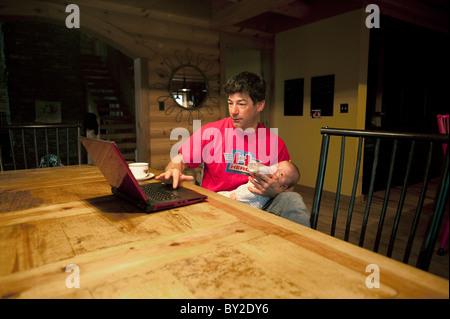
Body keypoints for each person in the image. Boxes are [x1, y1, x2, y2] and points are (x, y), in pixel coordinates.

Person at [156, 71, 290, 199]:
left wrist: (277, 191)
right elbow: (179, 161)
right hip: (216, 205)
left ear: (260, 105)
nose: (233, 111)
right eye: (230, 103)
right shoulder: (210, 132)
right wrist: (173, 171)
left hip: (259, 207)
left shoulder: (276, 144)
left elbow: (289, 187)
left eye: (241, 104)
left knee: (291, 200)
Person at [217, 160, 300, 209]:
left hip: (239, 205)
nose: (275, 170)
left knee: (295, 199)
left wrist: (276, 192)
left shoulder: (277, 144)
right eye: (276, 166)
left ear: (284, 186)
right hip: (223, 195)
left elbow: (290, 190)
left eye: (281, 174)